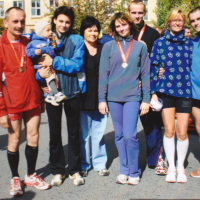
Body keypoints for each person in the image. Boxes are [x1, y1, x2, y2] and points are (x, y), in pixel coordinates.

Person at [0, 7, 51, 196]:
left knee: (34, 136)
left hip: (33, 100)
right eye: (15, 21)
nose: (20, 25)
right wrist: (2, 111)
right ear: (6, 23)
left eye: (22, 21)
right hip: (12, 102)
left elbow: (36, 71)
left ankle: (30, 174)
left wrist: (42, 94)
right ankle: (15, 178)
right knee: (14, 140)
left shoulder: (29, 43)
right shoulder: (1, 46)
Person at [36, 6, 86, 186]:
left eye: (67, 22)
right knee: (54, 133)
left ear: (71, 23)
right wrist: (40, 81)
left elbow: (77, 64)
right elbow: (38, 66)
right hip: (52, 93)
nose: (64, 25)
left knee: (74, 133)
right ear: (55, 20)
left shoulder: (77, 40)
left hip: (72, 91)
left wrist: (55, 61)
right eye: (61, 21)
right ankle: (57, 170)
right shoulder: (45, 39)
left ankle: (74, 169)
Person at [99, 12, 150, 185]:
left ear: (130, 24)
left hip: (133, 97)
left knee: (130, 135)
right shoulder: (108, 47)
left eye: (124, 24)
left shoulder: (140, 47)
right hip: (113, 98)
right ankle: (124, 170)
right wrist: (101, 99)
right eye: (117, 26)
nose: (121, 28)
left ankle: (134, 171)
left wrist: (146, 100)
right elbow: (103, 75)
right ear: (114, 28)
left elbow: (146, 75)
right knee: (119, 136)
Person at [150, 8, 193, 183]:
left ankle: (181, 166)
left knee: (182, 132)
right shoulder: (159, 43)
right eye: (174, 20)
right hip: (166, 90)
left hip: (185, 91)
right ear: (168, 22)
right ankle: (172, 168)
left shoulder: (190, 44)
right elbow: (153, 67)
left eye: (180, 20)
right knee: (169, 131)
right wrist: (152, 93)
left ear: (184, 23)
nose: (177, 23)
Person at [128, 0, 165, 175]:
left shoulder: (152, 34)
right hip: (127, 87)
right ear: (129, 13)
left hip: (147, 86)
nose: (136, 16)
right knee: (129, 128)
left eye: (140, 12)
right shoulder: (123, 31)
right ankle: (131, 162)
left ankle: (155, 159)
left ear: (144, 13)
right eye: (133, 12)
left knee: (152, 125)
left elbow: (159, 60)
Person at [79, 16, 109, 177]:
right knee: (84, 135)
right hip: (83, 97)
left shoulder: (104, 48)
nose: (93, 33)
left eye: (95, 30)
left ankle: (100, 163)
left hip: (100, 97)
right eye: (89, 30)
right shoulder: (79, 49)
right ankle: (84, 164)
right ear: (83, 31)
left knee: (98, 134)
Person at [26, 20, 66, 106]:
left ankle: (51, 95)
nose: (51, 32)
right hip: (40, 66)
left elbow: (58, 47)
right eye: (47, 30)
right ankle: (55, 93)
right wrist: (35, 52)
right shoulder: (34, 42)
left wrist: (56, 39)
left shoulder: (50, 41)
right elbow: (28, 51)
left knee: (52, 78)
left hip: (50, 65)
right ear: (41, 32)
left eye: (51, 30)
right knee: (49, 77)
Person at [187, 6, 200, 178]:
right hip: (196, 94)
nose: (196, 23)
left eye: (199, 18)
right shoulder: (192, 44)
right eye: (193, 21)